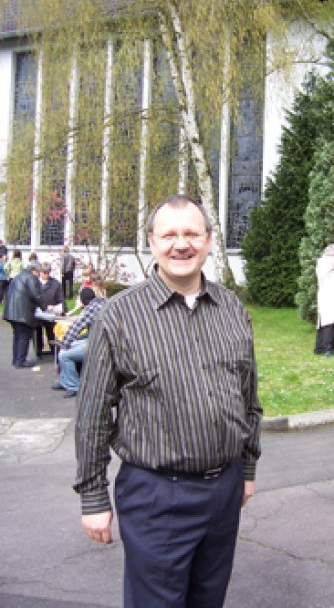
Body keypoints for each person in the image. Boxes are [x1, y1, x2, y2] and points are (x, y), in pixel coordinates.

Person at [74, 194, 262, 608]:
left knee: (208, 600)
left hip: (224, 491)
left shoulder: (231, 308)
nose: (182, 244)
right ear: (152, 242)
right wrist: (93, 497)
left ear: (209, 240)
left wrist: (246, 468)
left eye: (192, 233)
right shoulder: (119, 316)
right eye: (170, 234)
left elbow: (249, 398)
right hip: (157, 495)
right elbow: (92, 414)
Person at [51, 287, 106, 398]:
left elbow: (75, 328)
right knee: (70, 346)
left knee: (64, 355)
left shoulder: (91, 309)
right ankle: (64, 381)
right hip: (102, 340)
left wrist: (64, 343)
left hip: (98, 344)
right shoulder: (103, 303)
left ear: (83, 301)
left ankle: (73, 386)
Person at [2, 261, 48, 368]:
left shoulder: (19, 276)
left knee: (18, 335)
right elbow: (35, 295)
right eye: (38, 271)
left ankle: (16, 359)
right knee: (24, 336)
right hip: (22, 312)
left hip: (12, 311)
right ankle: (21, 360)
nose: (39, 274)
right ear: (34, 270)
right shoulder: (31, 278)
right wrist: (44, 307)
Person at [35, 262, 65, 358]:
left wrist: (62, 309)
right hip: (38, 312)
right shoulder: (35, 283)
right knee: (37, 332)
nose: (46, 275)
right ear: (40, 272)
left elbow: (61, 299)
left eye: (48, 272)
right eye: (44, 272)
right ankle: (38, 351)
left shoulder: (55, 284)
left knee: (51, 332)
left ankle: (54, 351)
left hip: (51, 313)